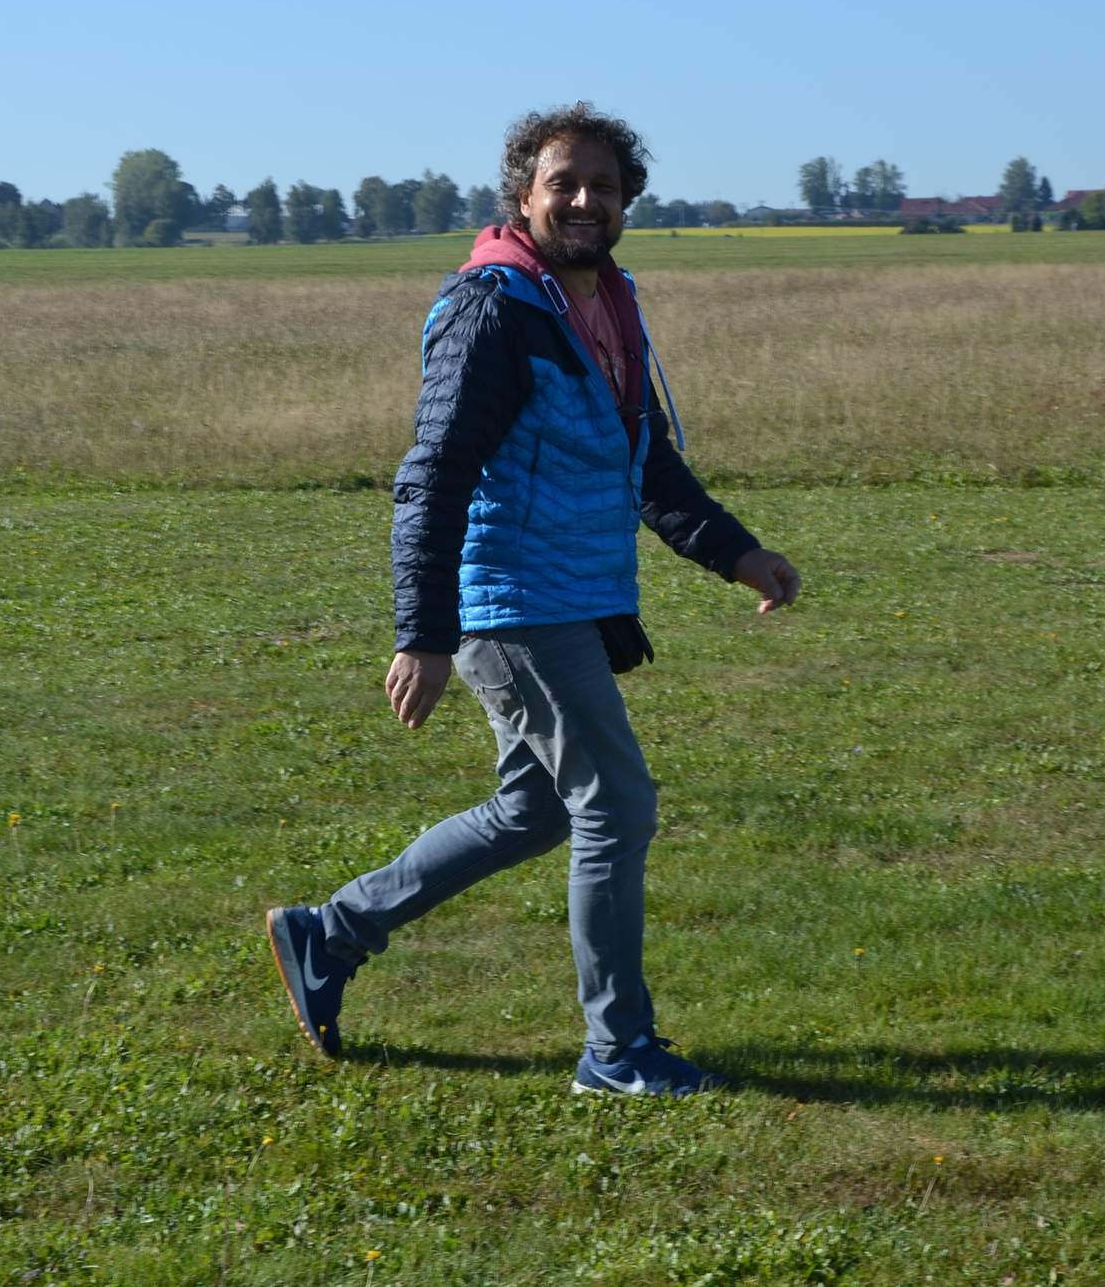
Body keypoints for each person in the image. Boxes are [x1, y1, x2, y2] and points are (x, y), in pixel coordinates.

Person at [266, 103, 800, 1098]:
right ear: (523, 196)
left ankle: (328, 933)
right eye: (565, 183)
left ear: (628, 202)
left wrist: (738, 554)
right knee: (616, 804)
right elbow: (434, 473)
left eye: (605, 185)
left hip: (568, 594)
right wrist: (423, 635)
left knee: (535, 808)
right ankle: (617, 1050)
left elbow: (645, 460)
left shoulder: (603, 304)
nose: (586, 199)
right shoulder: (494, 309)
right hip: (513, 601)